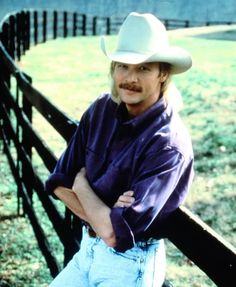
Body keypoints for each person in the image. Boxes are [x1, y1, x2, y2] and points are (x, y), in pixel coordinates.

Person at [45, 12, 194, 287]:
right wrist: (104, 216)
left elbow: (117, 235)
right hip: (87, 251)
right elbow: (58, 182)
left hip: (130, 264)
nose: (129, 77)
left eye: (143, 68)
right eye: (123, 66)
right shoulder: (101, 109)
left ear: (163, 73)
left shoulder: (167, 143)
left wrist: (82, 185)